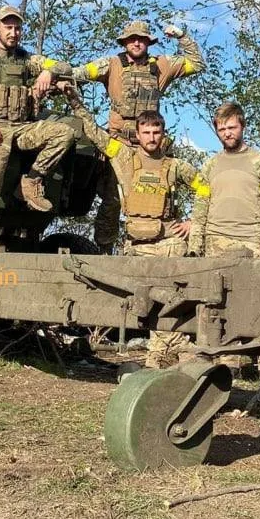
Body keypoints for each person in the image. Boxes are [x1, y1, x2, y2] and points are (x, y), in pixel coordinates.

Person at [58, 80, 196, 368]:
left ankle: (168, 352)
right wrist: (74, 100)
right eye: (146, 132)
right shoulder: (123, 157)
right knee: (147, 304)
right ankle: (165, 352)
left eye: (156, 132)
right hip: (137, 249)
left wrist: (196, 222)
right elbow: (94, 132)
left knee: (174, 301)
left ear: (163, 134)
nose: (151, 137)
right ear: (138, 134)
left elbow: (208, 188)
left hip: (170, 247)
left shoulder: (175, 166)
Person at [71, 20, 205, 252]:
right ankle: (105, 251)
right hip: (120, 146)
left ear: (148, 43)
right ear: (124, 42)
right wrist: (54, 80)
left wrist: (182, 36)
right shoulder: (111, 65)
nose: (136, 42)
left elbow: (197, 63)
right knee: (113, 200)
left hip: (153, 148)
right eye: (132, 38)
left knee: (165, 198)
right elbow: (77, 74)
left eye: (141, 39)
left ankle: (164, 246)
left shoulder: (162, 65)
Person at [0, 5, 75, 253]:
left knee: (64, 133)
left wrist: (48, 73)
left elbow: (65, 67)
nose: (13, 32)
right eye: (8, 27)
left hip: (21, 128)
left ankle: (30, 181)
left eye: (17, 28)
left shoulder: (28, 60)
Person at [188, 100, 260, 380]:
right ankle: (227, 361)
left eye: (231, 127)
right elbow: (200, 209)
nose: (227, 133)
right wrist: (195, 246)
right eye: (221, 129)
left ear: (242, 126)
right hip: (216, 242)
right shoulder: (210, 165)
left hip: (252, 241)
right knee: (219, 305)